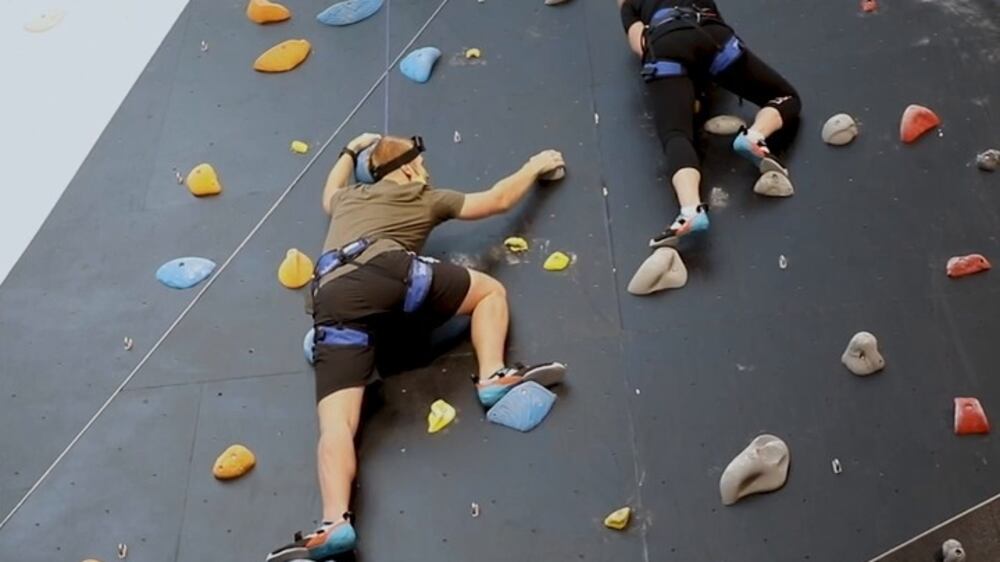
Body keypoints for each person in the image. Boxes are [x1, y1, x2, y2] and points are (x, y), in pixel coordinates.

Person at [266, 133, 568, 562]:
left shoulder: (349, 199)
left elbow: (327, 192)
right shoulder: (424, 194)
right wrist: (536, 163)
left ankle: (334, 521)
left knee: (336, 424)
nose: (426, 171)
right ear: (407, 169)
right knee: (488, 293)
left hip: (329, 299)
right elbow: (498, 200)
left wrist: (351, 149)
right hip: (386, 271)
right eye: (422, 164)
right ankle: (493, 377)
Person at [618, 0, 801, 247]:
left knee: (676, 134)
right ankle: (756, 134)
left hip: (664, 45)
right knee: (786, 97)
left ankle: (690, 210)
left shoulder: (631, 4)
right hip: (708, 34)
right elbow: (716, 18)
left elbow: (639, 45)